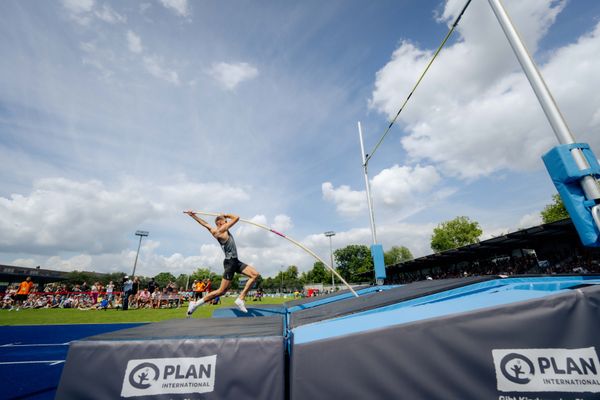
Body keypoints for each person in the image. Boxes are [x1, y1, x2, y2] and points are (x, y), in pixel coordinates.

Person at [185, 212, 260, 316]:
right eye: (225, 221)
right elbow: (237, 217)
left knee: (255, 274)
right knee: (221, 291)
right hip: (230, 263)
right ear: (220, 223)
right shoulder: (220, 231)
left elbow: (204, 223)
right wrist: (226, 215)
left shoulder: (217, 229)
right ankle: (195, 304)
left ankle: (240, 298)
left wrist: (193, 216)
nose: (227, 222)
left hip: (235, 261)